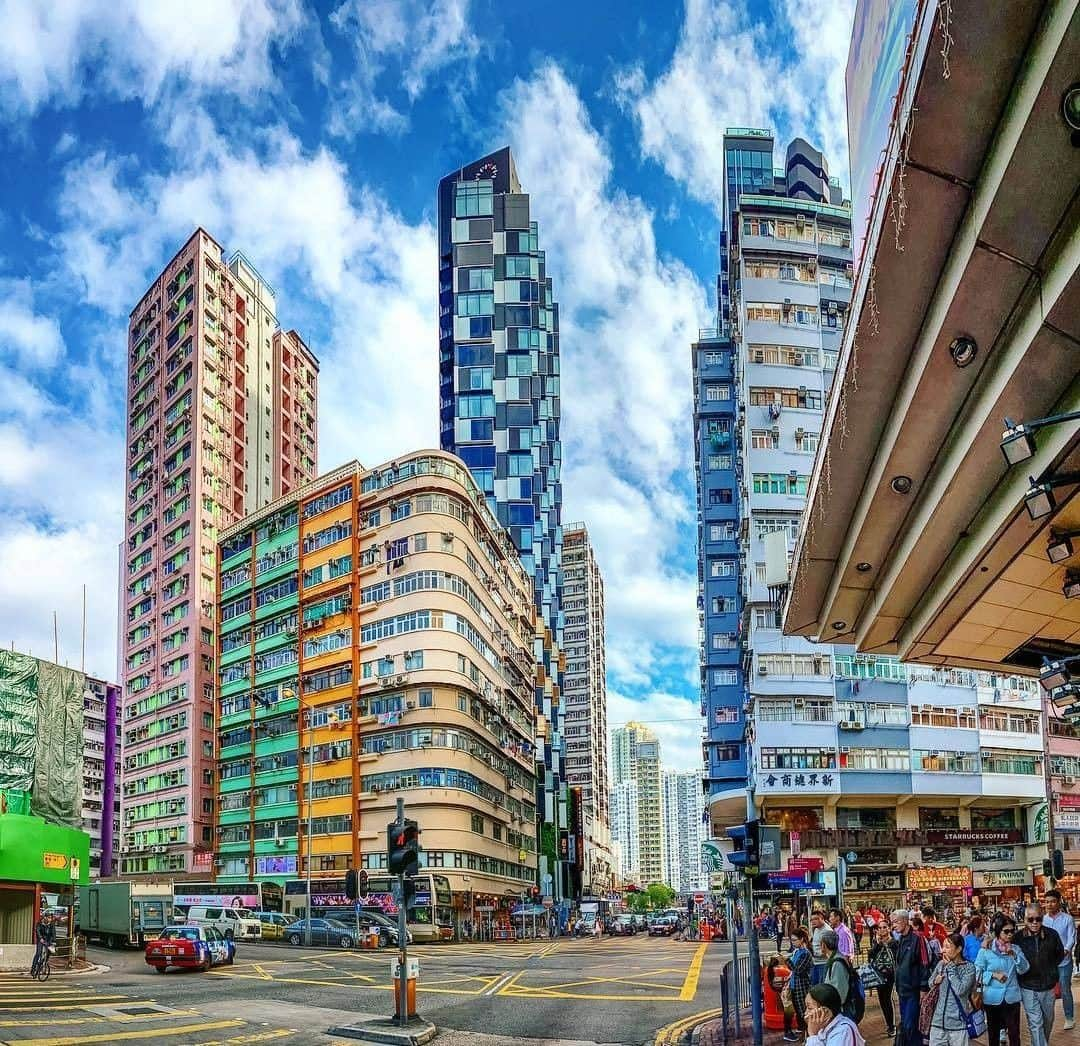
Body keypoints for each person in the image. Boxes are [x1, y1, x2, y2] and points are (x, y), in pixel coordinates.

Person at [1016, 903, 1065, 1046]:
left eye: (1038, 919)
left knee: (1048, 1020)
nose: (1035, 923)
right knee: (1035, 1023)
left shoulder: (1052, 935)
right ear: (1025, 920)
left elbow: (1059, 955)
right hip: (1027, 987)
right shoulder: (1018, 938)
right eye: (1030, 919)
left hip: (1048, 986)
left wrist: (1050, 970)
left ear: (1042, 918)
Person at [975, 914, 1028, 1046]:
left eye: (1012, 931)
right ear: (998, 931)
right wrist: (993, 975)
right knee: (993, 1034)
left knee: (1014, 1034)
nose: (1010, 934)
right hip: (992, 998)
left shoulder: (1015, 949)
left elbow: (1024, 969)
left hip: (1012, 997)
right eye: (1006, 931)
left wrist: (1015, 956)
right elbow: (977, 972)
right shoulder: (986, 950)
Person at [926, 932, 976, 1046]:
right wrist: (935, 981)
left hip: (958, 1024)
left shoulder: (969, 968)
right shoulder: (941, 964)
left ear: (959, 949)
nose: (944, 950)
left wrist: (951, 968)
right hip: (938, 1021)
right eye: (943, 947)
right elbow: (930, 983)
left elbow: (960, 990)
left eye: (948, 947)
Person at [892, 909, 931, 1046]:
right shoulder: (900, 939)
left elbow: (924, 963)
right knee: (906, 1025)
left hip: (914, 990)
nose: (894, 926)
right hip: (902, 989)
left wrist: (923, 987)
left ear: (904, 920)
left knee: (911, 1025)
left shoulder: (917, 937)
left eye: (896, 922)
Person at [1042, 889, 1076, 1029]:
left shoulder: (1067, 919)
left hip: (1064, 962)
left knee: (1065, 989)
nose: (1050, 905)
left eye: (1053, 902)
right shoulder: (1042, 920)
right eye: (1047, 902)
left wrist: (1066, 950)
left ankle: (1069, 1018)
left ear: (1058, 902)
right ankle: (1047, 1018)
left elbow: (1071, 938)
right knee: (1047, 991)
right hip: (1047, 962)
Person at [867, 920, 897, 1037]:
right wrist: (878, 945)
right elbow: (871, 955)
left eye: (884, 927)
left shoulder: (894, 943)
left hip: (890, 975)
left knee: (887, 998)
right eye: (880, 928)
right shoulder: (877, 943)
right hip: (879, 975)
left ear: (889, 929)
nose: (882, 930)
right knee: (883, 1000)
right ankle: (889, 1024)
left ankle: (892, 1025)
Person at [768, 954, 800, 1042]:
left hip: (784, 994)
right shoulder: (781, 970)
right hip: (786, 995)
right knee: (788, 1014)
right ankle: (788, 1032)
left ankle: (788, 1032)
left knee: (788, 1014)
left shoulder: (771, 970)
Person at [789, 928, 815, 1037]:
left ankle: (809, 1035)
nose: (793, 942)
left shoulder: (805, 954)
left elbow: (798, 970)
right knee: (798, 1011)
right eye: (792, 940)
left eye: (795, 940)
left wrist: (787, 961)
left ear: (802, 939)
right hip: (794, 985)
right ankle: (804, 1032)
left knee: (804, 1011)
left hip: (802, 987)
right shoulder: (797, 951)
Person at [820, 930, 852, 1013]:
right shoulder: (833, 960)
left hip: (839, 1010)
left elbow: (840, 991)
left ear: (824, 945)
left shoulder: (837, 963)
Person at [811, 911, 829, 985]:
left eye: (816, 919)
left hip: (823, 963)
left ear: (822, 918)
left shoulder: (826, 931)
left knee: (822, 987)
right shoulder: (816, 929)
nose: (813, 921)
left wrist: (814, 953)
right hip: (815, 963)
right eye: (812, 919)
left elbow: (827, 951)